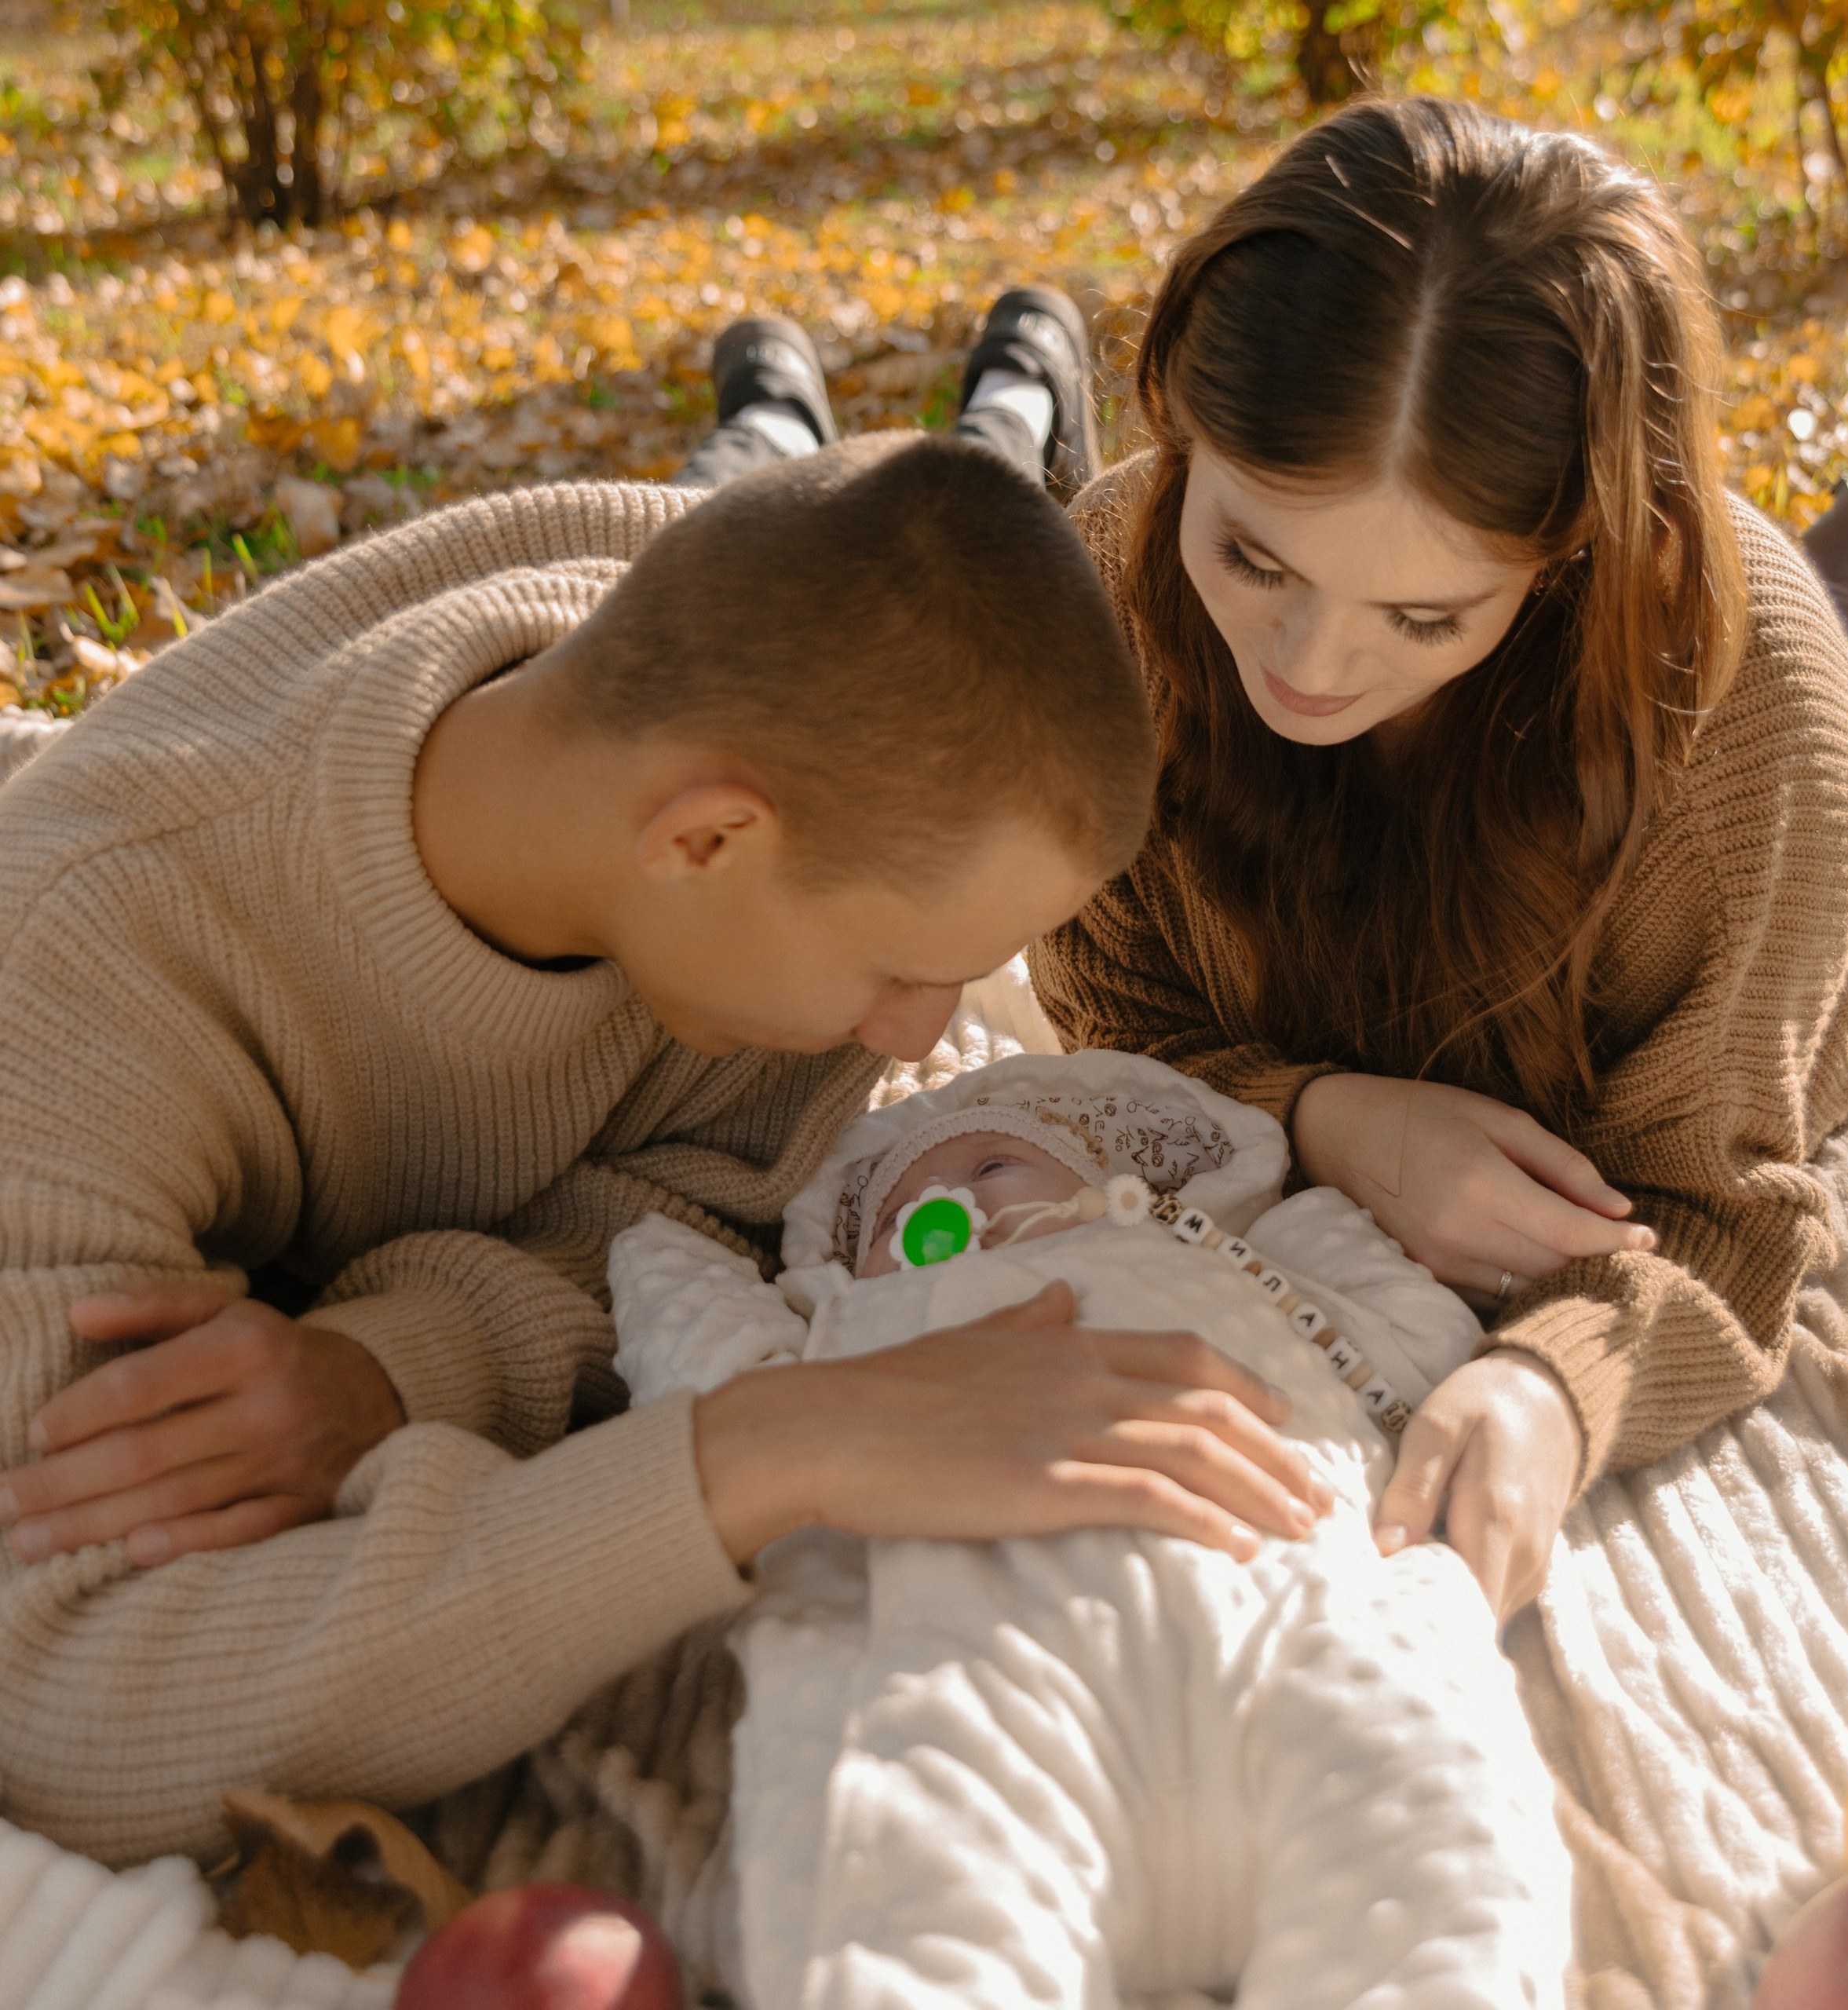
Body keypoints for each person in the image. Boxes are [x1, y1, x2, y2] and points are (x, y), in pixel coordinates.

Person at [0, 425, 1331, 1865]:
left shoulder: (735, 712)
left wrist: (400, 1365)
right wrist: (766, 1450)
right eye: (900, 967)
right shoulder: (78, 974)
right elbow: (66, 1704)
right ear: (704, 840)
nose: (916, 1041)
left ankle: (1012, 400)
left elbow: (699, 1208)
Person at [1021, 95, 1848, 1623]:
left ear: (1579, 555)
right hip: (1751, 652)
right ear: (1171, 419)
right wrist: (1327, 1117)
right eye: (1251, 554)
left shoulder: (1743, 722)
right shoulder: (1113, 563)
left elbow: (1717, 1205)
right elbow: (1115, 1001)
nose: (1306, 663)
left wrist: (1549, 1390)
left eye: (1423, 615)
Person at [608, 1049, 1572, 2010]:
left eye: (990, 1166)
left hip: (1294, 1603)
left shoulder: (1215, 1261)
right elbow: (711, 1382)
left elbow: (1415, 1342)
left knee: (1432, 1795)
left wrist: (1313, 1227)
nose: (944, 1201)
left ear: (1110, 1186)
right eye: (888, 1207)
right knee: (908, 1868)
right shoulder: (845, 1342)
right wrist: (661, 1260)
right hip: (979, 1657)